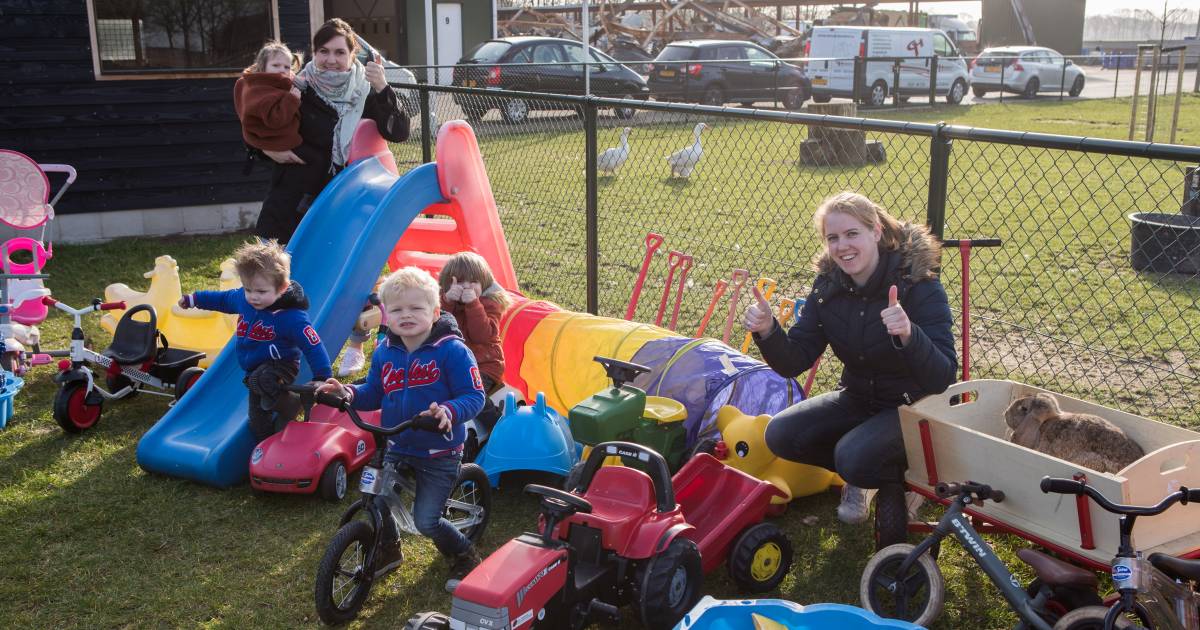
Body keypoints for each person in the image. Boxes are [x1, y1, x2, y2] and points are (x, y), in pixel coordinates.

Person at [743, 191, 956, 544]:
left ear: (875, 232)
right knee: (780, 434)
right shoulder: (828, 287)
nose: (842, 246)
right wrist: (767, 330)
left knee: (852, 457)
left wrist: (908, 334)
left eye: (852, 234)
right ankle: (869, 467)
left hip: (912, 406)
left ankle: (896, 480)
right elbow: (794, 360)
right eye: (833, 238)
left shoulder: (918, 286)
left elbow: (944, 376)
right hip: (858, 396)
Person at [319, 267, 486, 580]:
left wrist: (448, 411)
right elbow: (374, 392)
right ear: (386, 315)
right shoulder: (386, 351)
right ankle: (389, 548)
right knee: (376, 498)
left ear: (435, 312)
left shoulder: (452, 351)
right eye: (396, 310)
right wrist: (347, 393)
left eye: (416, 308)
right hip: (395, 443)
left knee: (426, 521)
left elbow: (474, 395)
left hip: (439, 451)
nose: (406, 315)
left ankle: (464, 552)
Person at [254, 18, 409, 243]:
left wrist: (382, 87)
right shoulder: (296, 88)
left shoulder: (363, 94)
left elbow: (399, 132)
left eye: (339, 52)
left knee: (321, 274)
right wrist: (265, 148)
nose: (331, 60)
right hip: (288, 203)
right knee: (270, 273)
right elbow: (257, 125)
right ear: (314, 54)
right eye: (324, 51)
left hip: (337, 206)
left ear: (351, 56)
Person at [178, 240, 333, 442]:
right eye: (248, 289)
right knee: (256, 422)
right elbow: (222, 300)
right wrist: (194, 299)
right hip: (254, 369)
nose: (253, 297)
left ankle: (291, 404)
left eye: (261, 292)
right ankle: (268, 446)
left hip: (282, 365)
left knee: (263, 378)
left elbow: (313, 345)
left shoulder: (291, 317)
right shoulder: (243, 300)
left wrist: (323, 375)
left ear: (282, 288)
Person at [438, 252, 512, 435]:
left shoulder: (489, 304)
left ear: (484, 284)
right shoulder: (442, 301)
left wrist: (473, 305)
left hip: (484, 364)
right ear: (448, 283)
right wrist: (447, 302)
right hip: (451, 363)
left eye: (473, 282)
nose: (466, 287)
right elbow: (436, 329)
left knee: (470, 389)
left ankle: (498, 425)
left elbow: (481, 335)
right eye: (459, 282)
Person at [233, 41, 320, 167]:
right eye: (276, 65)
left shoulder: (279, 85)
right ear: (263, 67)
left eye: (287, 67)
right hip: (280, 141)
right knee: (316, 161)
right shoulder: (262, 90)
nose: (282, 70)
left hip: (279, 143)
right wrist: (292, 99)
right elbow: (275, 120)